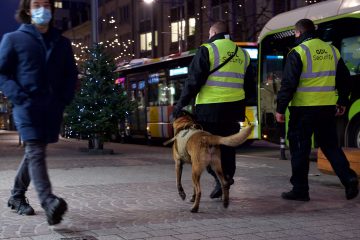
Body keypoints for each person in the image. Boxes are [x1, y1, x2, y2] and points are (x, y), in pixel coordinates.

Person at [0, 0, 78, 224]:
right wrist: (19, 96)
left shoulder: (62, 42)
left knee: (35, 151)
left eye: (46, 4)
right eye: (36, 4)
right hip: (26, 105)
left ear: (52, 10)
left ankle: (16, 196)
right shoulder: (13, 39)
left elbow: (70, 74)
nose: (41, 9)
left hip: (51, 107)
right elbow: (2, 73)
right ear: (27, 9)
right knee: (35, 150)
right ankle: (48, 201)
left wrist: (63, 100)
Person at [276, 18, 358, 201]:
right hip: (327, 109)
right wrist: (342, 102)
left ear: (298, 33)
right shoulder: (332, 50)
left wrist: (280, 108)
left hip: (303, 110)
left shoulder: (298, 52)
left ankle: (300, 190)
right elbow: (345, 80)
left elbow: (289, 84)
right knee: (330, 147)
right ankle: (349, 178)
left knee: (299, 149)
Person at [172, 21, 255, 199]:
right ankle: (227, 177)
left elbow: (193, 81)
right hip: (233, 109)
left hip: (210, 110)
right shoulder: (243, 54)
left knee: (206, 148)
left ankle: (220, 179)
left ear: (213, 33)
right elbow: (250, 86)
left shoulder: (207, 50)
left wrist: (180, 105)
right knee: (228, 146)